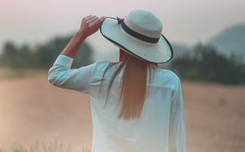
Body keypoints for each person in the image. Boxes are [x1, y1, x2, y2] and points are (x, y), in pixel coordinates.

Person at [48, 9, 186, 152]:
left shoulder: (101, 73)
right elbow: (176, 141)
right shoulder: (170, 83)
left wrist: (81, 34)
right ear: (153, 49)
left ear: (121, 44)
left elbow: (56, 75)